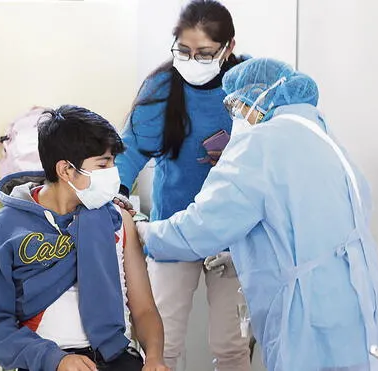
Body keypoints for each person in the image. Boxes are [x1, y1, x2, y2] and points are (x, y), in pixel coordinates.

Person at [136, 58, 378, 371]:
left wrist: (146, 232)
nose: (237, 117)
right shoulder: (321, 134)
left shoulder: (259, 144)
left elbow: (202, 226)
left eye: (238, 107)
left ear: (258, 98)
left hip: (309, 309)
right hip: (357, 294)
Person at [0, 105, 169, 371]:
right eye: (103, 164)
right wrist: (56, 360)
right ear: (65, 170)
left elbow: (144, 309)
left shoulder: (118, 220)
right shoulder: (5, 229)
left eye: (113, 162)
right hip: (44, 362)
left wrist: (154, 358)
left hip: (116, 358)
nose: (114, 172)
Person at [113, 1, 252, 370]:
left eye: (204, 53)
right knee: (163, 344)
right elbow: (129, 152)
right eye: (183, 51)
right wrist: (115, 195)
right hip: (174, 228)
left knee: (232, 345)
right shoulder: (162, 87)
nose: (192, 60)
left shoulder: (251, 85)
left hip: (233, 235)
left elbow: (275, 148)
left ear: (229, 47)